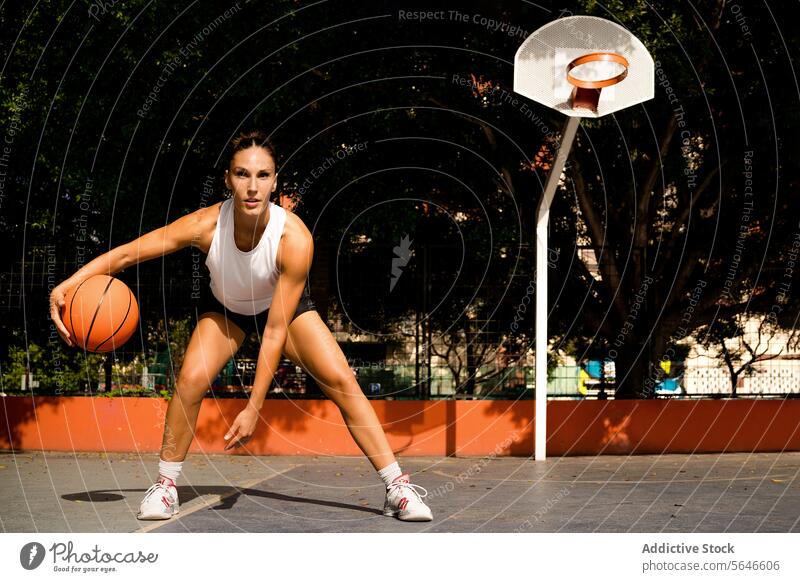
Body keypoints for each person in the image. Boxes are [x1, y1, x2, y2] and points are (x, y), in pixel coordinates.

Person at [49, 130, 433, 522]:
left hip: (281, 312)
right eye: (242, 174)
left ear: (275, 181)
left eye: (262, 175)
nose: (252, 187)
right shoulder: (206, 225)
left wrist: (254, 406)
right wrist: (70, 283)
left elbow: (275, 331)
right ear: (228, 179)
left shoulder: (293, 238)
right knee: (189, 381)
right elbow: (131, 252)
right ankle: (165, 487)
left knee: (342, 380)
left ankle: (397, 487)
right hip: (227, 309)